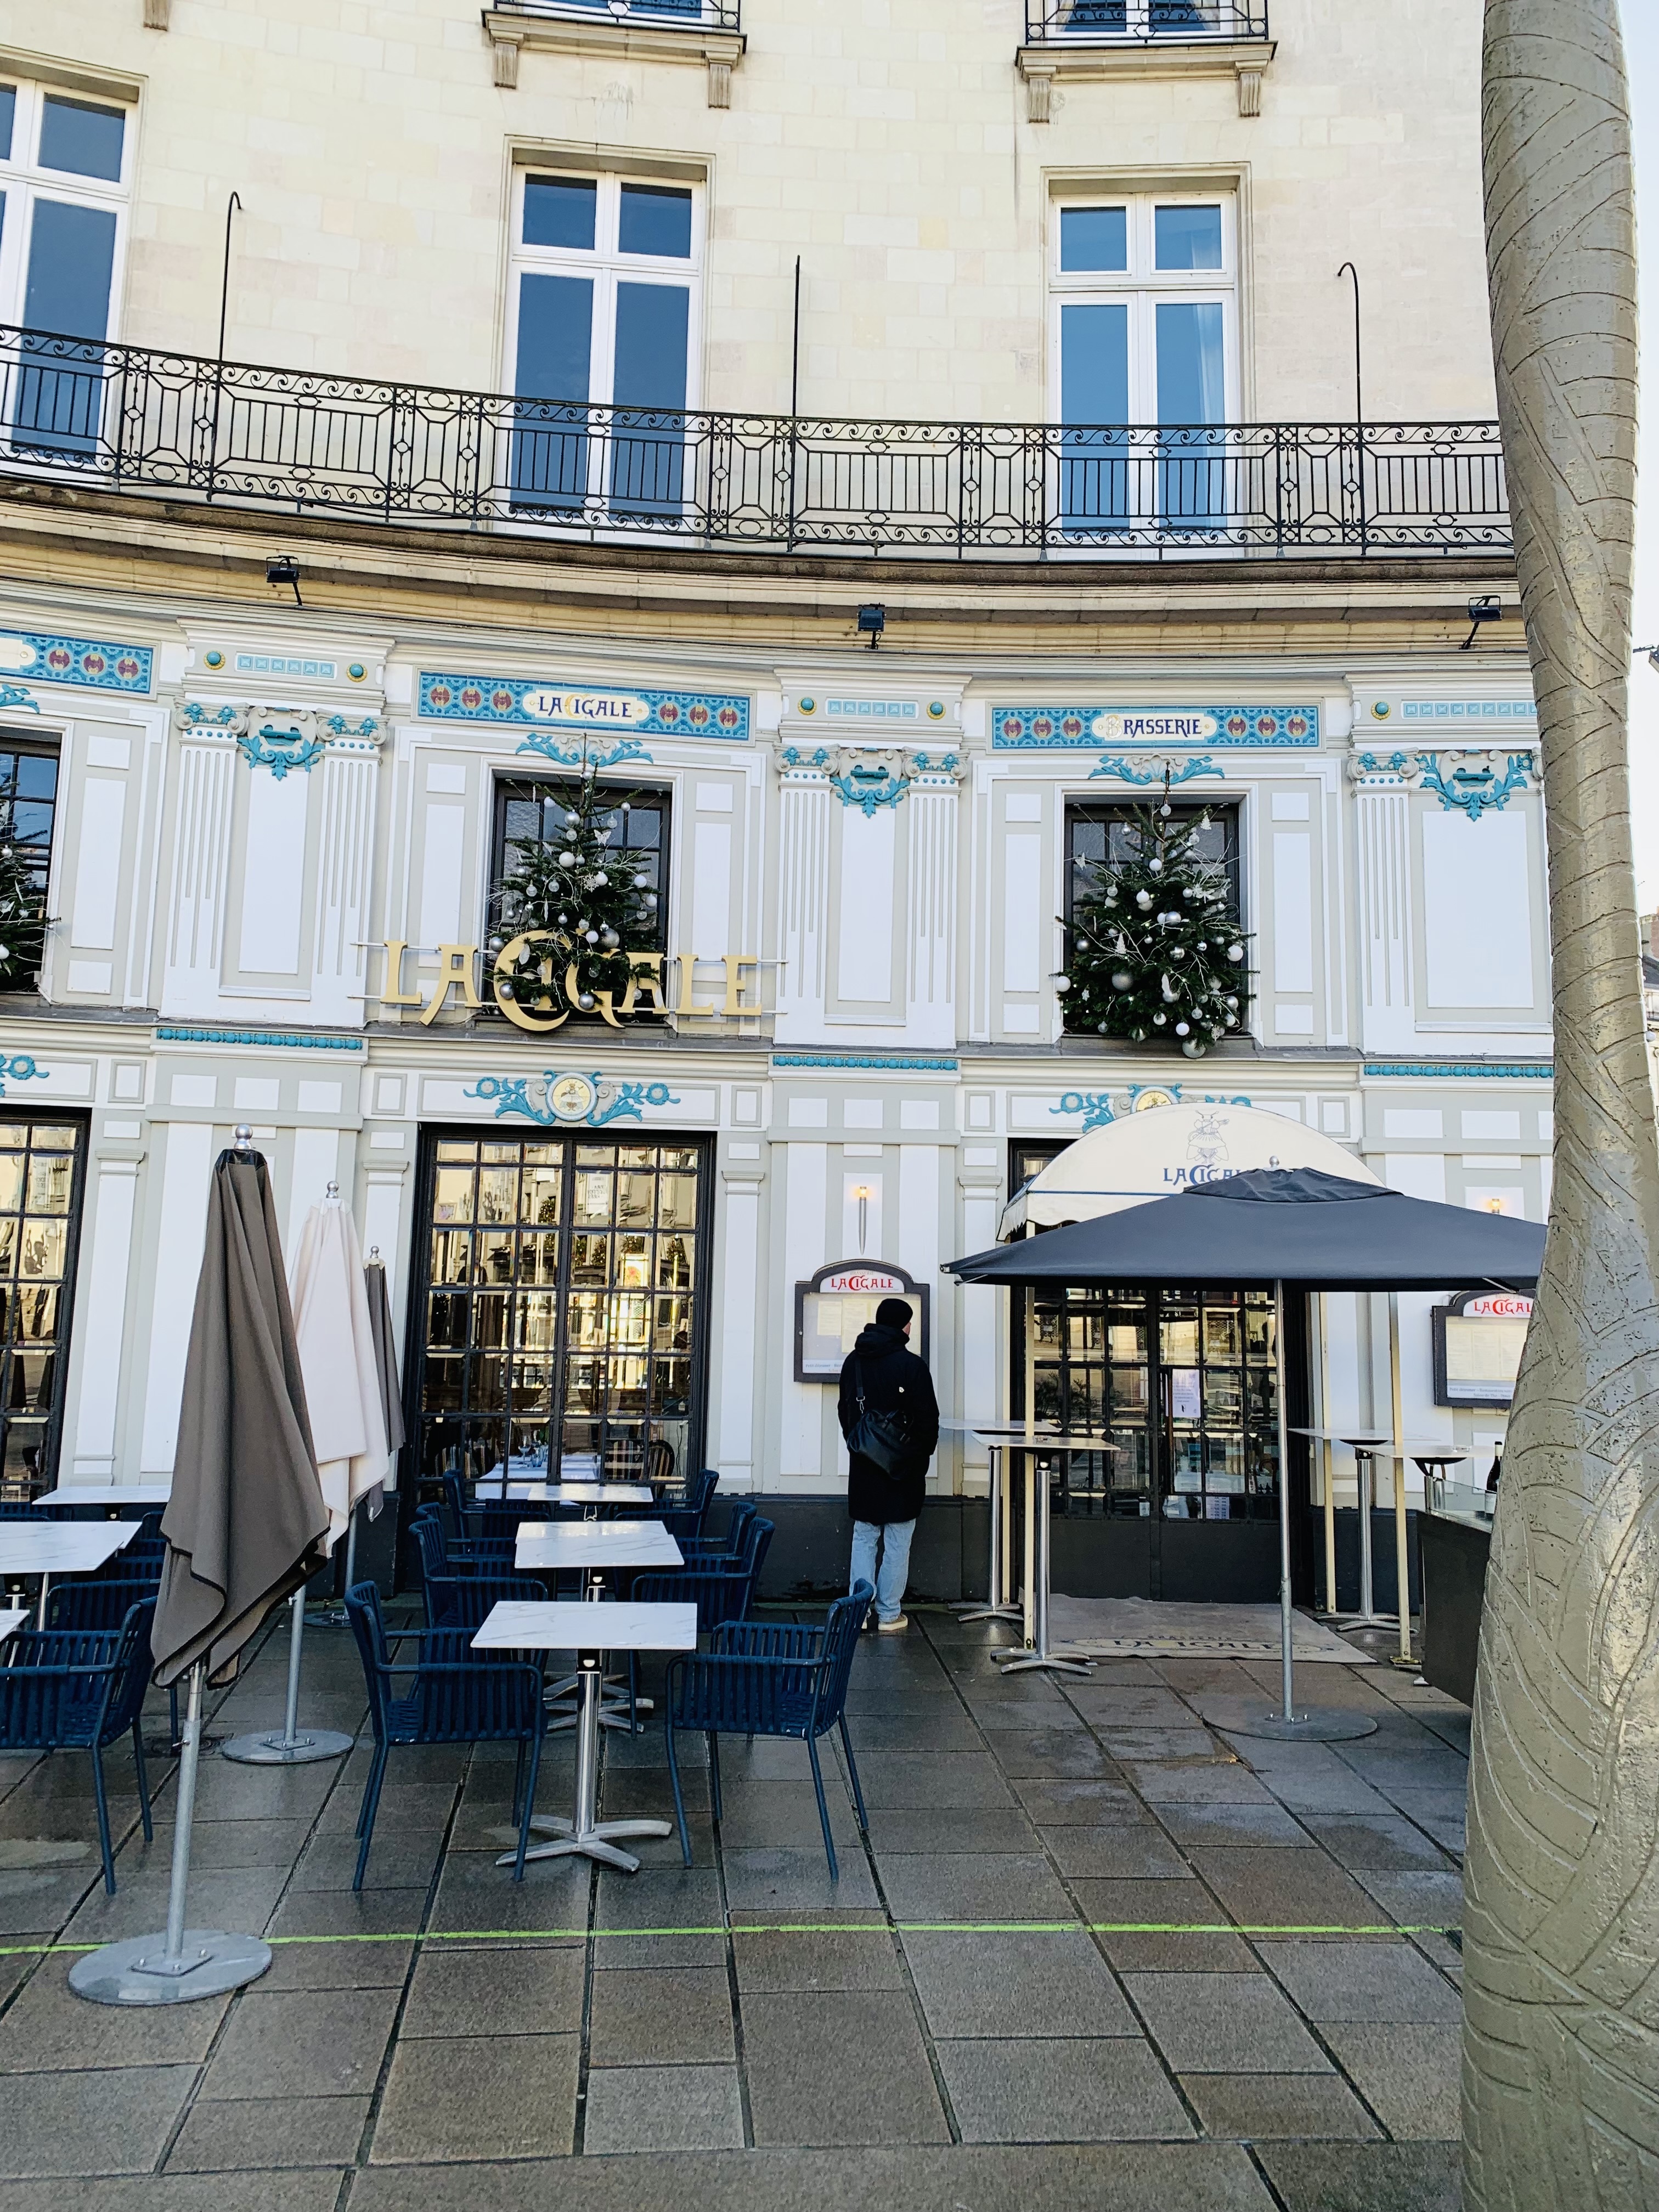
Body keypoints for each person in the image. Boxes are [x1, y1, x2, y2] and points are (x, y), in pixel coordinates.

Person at [837, 1296, 939, 1633]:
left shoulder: (854, 1361)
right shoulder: (912, 1365)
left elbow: (845, 1411)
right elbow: (928, 1420)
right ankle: (889, 1614)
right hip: (903, 1467)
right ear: (904, 1326)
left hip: (864, 1465)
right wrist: (919, 1458)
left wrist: (861, 1445)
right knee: (898, 1540)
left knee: (864, 1537)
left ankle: (858, 1613)